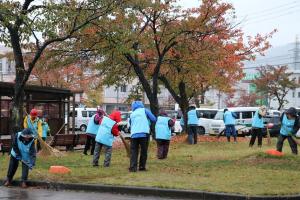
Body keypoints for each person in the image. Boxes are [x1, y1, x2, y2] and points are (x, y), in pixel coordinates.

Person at [129, 101, 156, 172]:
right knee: (143, 151)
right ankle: (141, 167)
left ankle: (132, 167)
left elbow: (130, 123)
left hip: (134, 134)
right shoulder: (145, 110)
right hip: (144, 133)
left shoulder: (132, 114)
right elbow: (153, 119)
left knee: (134, 151)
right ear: (141, 105)